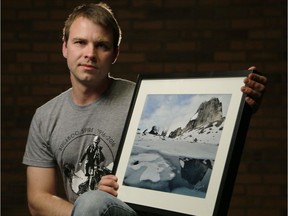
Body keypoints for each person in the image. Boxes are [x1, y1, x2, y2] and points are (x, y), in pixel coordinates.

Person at [22, 2, 268, 216]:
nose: (90, 53)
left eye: (102, 45)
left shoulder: (140, 99)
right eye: (80, 42)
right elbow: (38, 200)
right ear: (65, 47)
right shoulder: (46, 117)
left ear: (115, 54)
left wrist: (240, 108)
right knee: (92, 202)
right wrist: (90, 210)